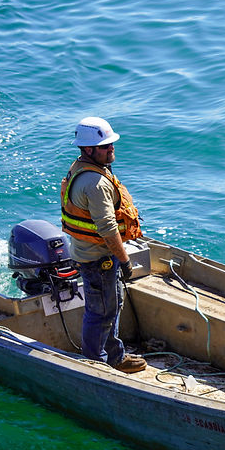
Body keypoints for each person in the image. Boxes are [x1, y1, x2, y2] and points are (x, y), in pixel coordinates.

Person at [60, 116, 147, 373]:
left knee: (110, 306)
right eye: (105, 146)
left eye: (111, 144)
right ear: (88, 149)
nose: (111, 149)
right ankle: (97, 364)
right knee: (101, 312)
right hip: (99, 258)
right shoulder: (95, 183)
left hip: (91, 253)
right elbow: (108, 229)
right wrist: (125, 260)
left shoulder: (82, 168)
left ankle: (114, 355)